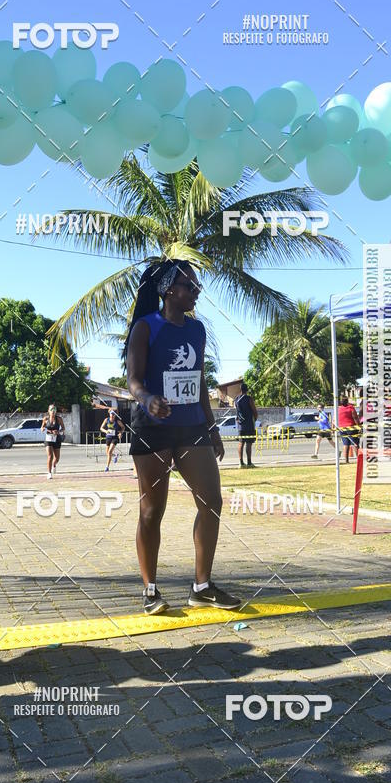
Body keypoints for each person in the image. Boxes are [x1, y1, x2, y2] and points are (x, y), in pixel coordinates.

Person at [125, 259, 241, 615]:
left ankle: (202, 586)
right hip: (153, 428)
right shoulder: (145, 328)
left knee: (212, 502)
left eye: (197, 287)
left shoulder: (197, 330)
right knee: (151, 511)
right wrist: (148, 400)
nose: (196, 292)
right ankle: (150, 590)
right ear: (168, 290)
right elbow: (133, 381)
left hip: (191, 427)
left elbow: (200, 381)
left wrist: (212, 427)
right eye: (190, 286)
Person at [235, 383, 258, 468]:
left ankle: (241, 463)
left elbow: (237, 412)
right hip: (249, 425)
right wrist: (254, 419)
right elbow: (254, 411)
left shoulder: (236, 399)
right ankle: (249, 462)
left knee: (241, 443)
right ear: (247, 389)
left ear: (240, 389)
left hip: (240, 425)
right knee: (249, 443)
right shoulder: (249, 399)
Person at [41, 404, 65, 479]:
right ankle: (49, 473)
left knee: (57, 458)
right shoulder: (46, 418)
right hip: (48, 438)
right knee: (50, 456)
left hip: (57, 438)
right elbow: (42, 426)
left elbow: (63, 428)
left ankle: (54, 465)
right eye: (51, 409)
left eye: (54, 409)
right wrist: (42, 429)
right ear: (48, 411)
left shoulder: (59, 419)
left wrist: (58, 432)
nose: (53, 411)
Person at [338, 396, 360, 464]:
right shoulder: (351, 408)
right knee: (355, 444)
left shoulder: (339, 409)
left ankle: (346, 461)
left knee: (346, 444)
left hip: (342, 428)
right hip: (351, 428)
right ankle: (359, 460)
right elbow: (355, 418)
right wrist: (359, 427)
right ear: (347, 401)